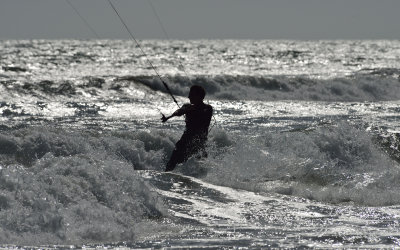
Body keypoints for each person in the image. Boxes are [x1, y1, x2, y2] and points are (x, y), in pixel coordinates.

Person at [162, 85, 213, 172]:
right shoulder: (187, 107)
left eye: (191, 95)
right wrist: (169, 117)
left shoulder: (208, 108)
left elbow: (201, 113)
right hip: (184, 142)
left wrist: (189, 110)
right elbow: (178, 111)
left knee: (199, 170)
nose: (189, 97)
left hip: (199, 144)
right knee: (171, 165)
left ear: (199, 96)